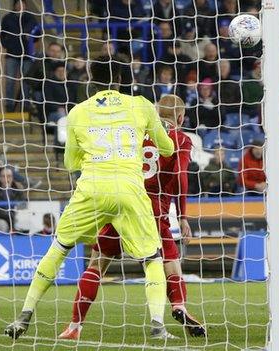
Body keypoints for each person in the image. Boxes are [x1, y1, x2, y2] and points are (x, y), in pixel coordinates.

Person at [4, 54, 176, 340]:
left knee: (59, 248)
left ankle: (24, 315)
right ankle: (157, 324)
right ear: (123, 78)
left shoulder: (77, 112)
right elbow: (168, 149)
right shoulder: (141, 105)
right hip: (129, 189)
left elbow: (70, 163)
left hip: (93, 187)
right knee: (151, 257)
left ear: (91, 79)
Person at [57, 94, 203, 339]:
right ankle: (176, 308)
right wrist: (184, 215)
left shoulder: (135, 132)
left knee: (97, 263)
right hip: (153, 210)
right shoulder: (180, 139)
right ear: (181, 117)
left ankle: (75, 325)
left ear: (155, 113)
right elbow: (180, 175)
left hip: (123, 199)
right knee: (167, 264)